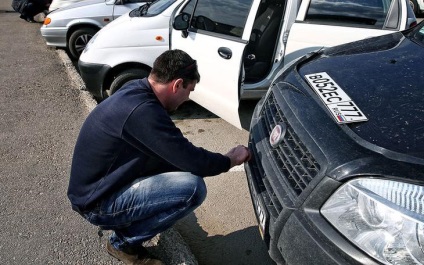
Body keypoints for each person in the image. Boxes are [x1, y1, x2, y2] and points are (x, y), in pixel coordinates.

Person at [68, 49, 251, 264]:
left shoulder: (137, 90)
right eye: (189, 91)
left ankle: (126, 222)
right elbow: (192, 160)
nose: (187, 98)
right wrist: (230, 159)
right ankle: (123, 243)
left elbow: (175, 151)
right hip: (97, 204)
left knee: (177, 169)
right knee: (192, 188)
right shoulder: (143, 111)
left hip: (97, 189)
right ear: (176, 85)